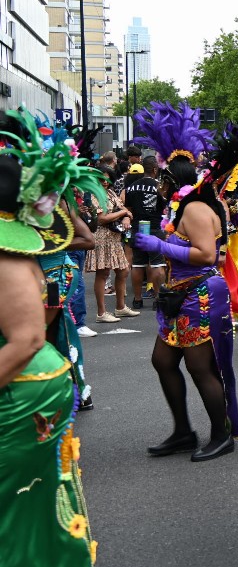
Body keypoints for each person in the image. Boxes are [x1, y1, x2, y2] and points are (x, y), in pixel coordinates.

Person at [0, 113, 101, 566]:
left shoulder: (9, 258)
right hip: (31, 372)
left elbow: (25, 339)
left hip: (25, 385)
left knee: (18, 505)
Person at [131, 102, 238, 461]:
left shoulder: (195, 209)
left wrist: (159, 245)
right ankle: (183, 432)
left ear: (170, 180)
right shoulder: (181, 207)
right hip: (177, 295)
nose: (158, 186)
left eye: (162, 179)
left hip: (200, 292)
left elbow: (206, 255)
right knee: (163, 361)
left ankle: (221, 433)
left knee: (201, 367)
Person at [85, 166, 139, 322]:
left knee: (123, 271)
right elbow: (102, 218)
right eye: (101, 179)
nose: (104, 182)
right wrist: (123, 214)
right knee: (103, 273)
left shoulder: (110, 193)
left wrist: (126, 217)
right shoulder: (93, 194)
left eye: (107, 179)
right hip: (101, 237)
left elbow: (126, 211)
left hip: (114, 238)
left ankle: (120, 307)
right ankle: (101, 313)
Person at [123, 156, 166, 310]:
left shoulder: (132, 187)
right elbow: (164, 208)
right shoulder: (159, 187)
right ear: (155, 169)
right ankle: (158, 299)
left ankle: (137, 299)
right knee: (157, 263)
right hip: (154, 227)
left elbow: (129, 209)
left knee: (138, 264)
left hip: (137, 228)